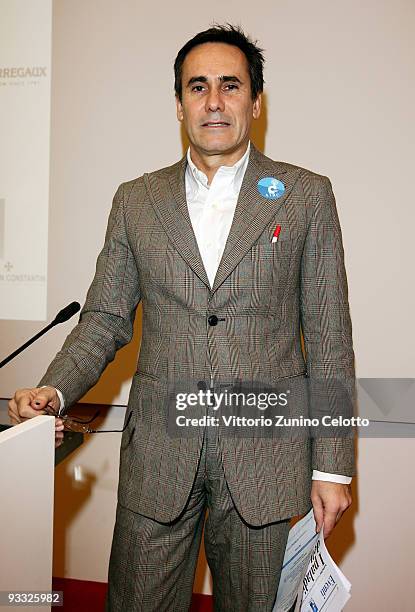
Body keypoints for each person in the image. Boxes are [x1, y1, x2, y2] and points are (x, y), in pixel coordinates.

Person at [8, 24, 356, 612]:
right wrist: (54, 388)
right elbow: (104, 319)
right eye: (198, 87)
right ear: (178, 104)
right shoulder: (136, 201)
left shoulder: (305, 196)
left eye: (230, 85)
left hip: (265, 464)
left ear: (256, 101)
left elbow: (328, 340)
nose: (214, 101)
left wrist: (334, 465)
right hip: (157, 460)